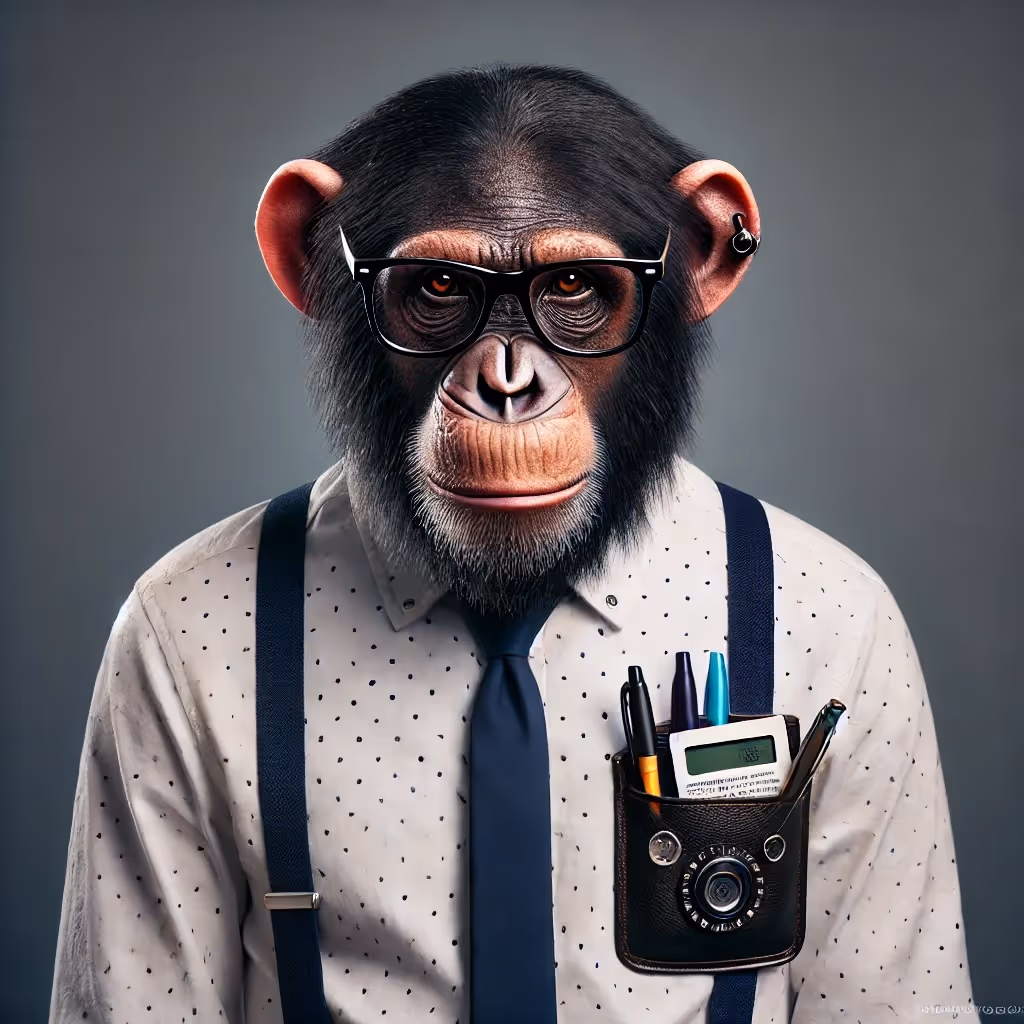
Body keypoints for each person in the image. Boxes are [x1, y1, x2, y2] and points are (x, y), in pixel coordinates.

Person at [49, 65, 972, 1023]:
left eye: (574, 288)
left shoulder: (821, 613)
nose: (505, 375)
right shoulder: (196, 624)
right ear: (312, 264)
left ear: (701, 259)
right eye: (438, 288)